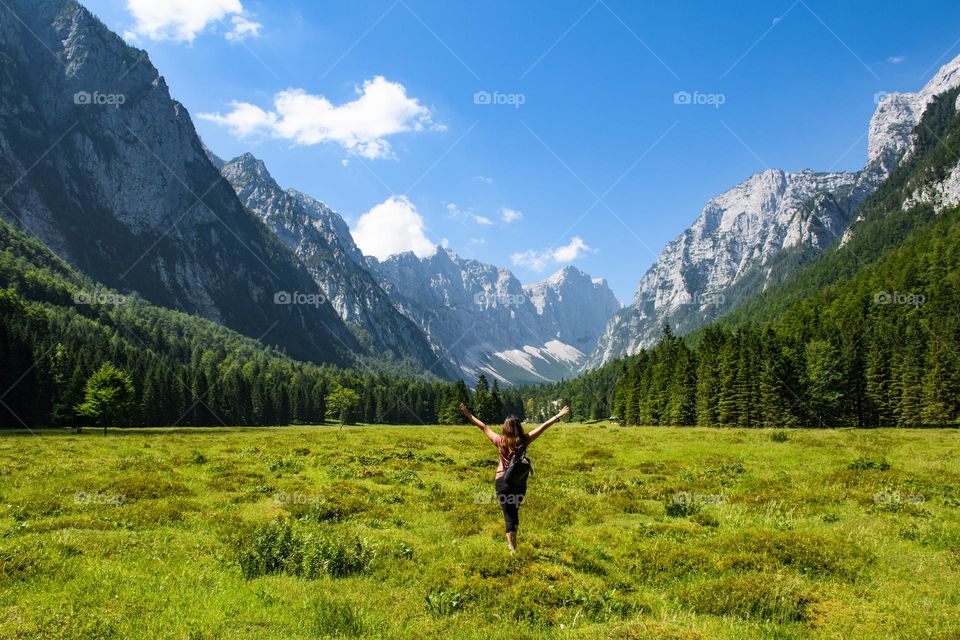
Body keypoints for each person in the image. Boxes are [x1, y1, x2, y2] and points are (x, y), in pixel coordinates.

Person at [459, 402, 571, 553]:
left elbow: (484, 427)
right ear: (518, 427)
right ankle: (514, 546)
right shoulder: (524, 440)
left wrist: (468, 414)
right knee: (514, 513)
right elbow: (543, 427)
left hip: (502, 482)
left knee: (509, 515)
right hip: (519, 483)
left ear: (505, 428)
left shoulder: (500, 440)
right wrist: (558, 416)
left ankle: (512, 549)